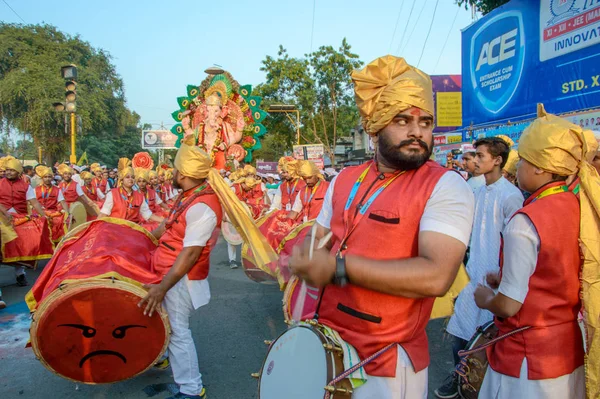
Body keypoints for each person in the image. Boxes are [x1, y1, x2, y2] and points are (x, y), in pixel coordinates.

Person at [289, 55, 475, 399]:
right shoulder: (345, 178)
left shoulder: (447, 187)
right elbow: (318, 235)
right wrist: (302, 253)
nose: (417, 131)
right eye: (402, 120)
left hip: (384, 362)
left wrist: (338, 268)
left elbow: (436, 276)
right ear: (375, 127)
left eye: (425, 122)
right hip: (327, 343)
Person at [138, 137, 277, 399]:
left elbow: (190, 253)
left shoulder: (202, 206)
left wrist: (161, 287)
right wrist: (136, 238)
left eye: (176, 169)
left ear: (185, 174)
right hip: (167, 270)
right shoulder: (187, 196)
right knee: (165, 322)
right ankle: (164, 356)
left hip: (180, 279)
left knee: (179, 330)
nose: (172, 172)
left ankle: (191, 389)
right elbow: (165, 229)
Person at [474, 105, 598, 398]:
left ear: (541, 167)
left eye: (523, 162)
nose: (516, 169)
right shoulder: (579, 207)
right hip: (568, 350)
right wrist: (506, 277)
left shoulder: (526, 220)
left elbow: (508, 306)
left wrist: (487, 299)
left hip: (528, 361)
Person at [438, 137, 524, 398]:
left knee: (487, 339)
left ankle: (480, 386)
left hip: (495, 277)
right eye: (474, 155)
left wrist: (504, 274)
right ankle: (460, 377)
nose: (474, 160)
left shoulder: (511, 196)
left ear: (497, 160)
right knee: (459, 334)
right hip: (472, 272)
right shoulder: (476, 191)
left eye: (480, 156)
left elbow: (515, 243)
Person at [0, 158, 54, 286]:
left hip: (20, 217)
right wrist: (5, 213)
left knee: (22, 245)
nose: (8, 172)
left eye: (11, 170)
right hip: (3, 218)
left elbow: (34, 202)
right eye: (7, 170)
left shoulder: (26, 186)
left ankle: (20, 274)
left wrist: (43, 216)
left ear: (18, 172)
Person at [99, 161, 164, 225]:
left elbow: (147, 214)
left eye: (132, 177)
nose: (130, 179)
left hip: (133, 229)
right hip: (116, 228)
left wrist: (164, 221)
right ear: (122, 180)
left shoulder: (140, 196)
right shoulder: (112, 194)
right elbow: (104, 213)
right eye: (127, 177)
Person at [34, 165, 69, 243]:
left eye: (49, 177)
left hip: (53, 212)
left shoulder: (57, 190)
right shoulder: (36, 189)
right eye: (45, 177)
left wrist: (68, 214)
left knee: (60, 220)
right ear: (42, 178)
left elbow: (63, 202)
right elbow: (33, 203)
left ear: (52, 178)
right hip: (39, 212)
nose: (47, 179)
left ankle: (55, 242)